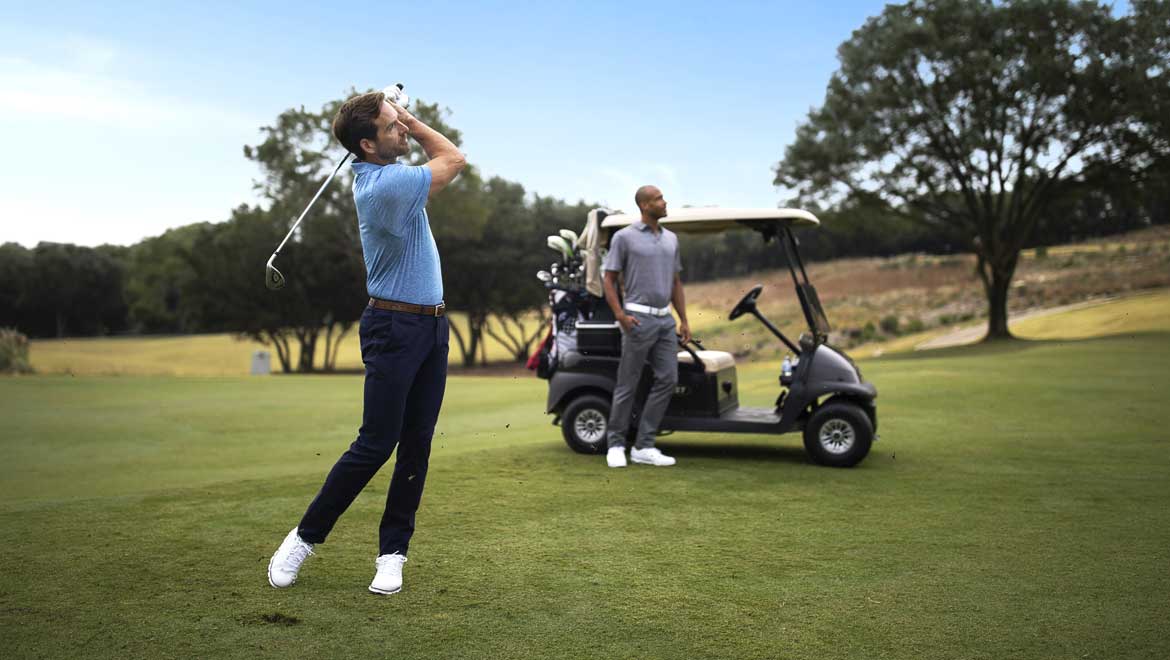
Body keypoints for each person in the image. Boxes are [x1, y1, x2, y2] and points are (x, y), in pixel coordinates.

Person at [267, 90, 466, 595]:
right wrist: (413, 118)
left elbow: (436, 154)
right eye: (390, 125)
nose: (400, 128)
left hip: (432, 326)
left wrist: (392, 114)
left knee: (416, 442)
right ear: (367, 144)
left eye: (399, 121)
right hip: (394, 328)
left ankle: (392, 553)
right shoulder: (384, 188)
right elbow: (453, 158)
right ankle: (304, 538)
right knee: (376, 442)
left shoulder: (388, 175)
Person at [601, 185, 690, 468]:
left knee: (668, 379)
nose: (664, 203)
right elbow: (608, 280)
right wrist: (620, 316)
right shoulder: (625, 238)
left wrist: (684, 319)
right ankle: (615, 444)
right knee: (628, 383)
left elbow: (676, 282)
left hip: (665, 320)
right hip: (637, 319)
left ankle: (643, 446)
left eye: (663, 197)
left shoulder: (671, 239)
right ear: (644, 206)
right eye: (658, 199)